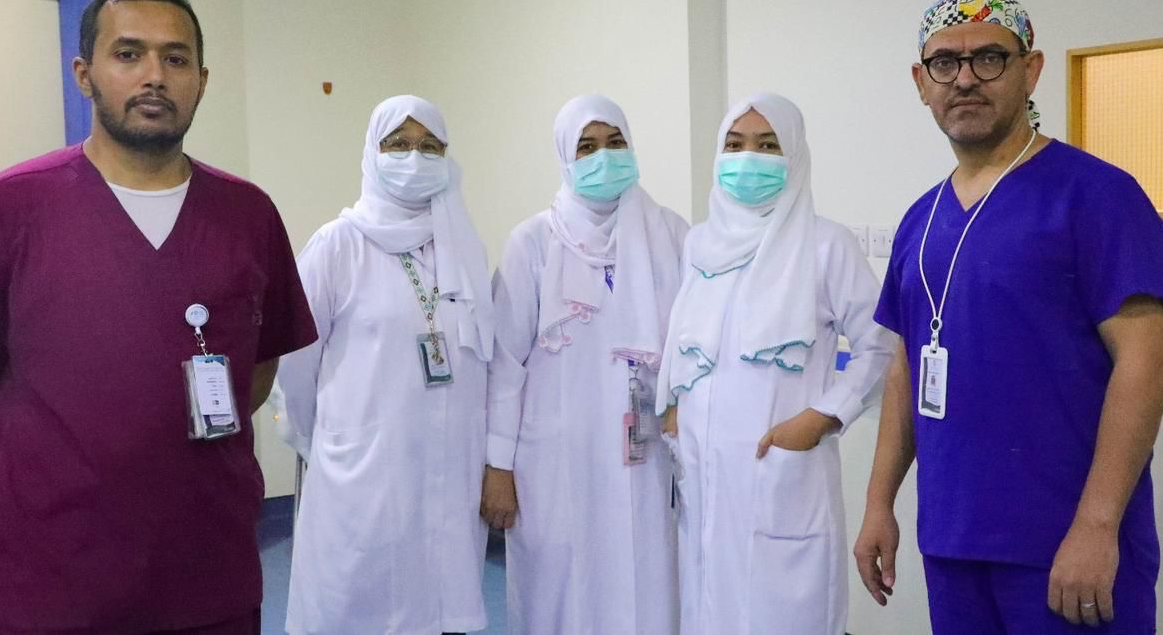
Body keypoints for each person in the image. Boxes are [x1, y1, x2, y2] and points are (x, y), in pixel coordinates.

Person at [0, 0, 317, 633]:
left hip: (205, 576)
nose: (154, 75)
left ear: (202, 81)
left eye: (176, 58)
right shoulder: (9, 206)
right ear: (85, 74)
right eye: (129, 54)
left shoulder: (248, 214)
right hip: (45, 577)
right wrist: (59, 457)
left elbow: (256, 368)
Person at [853, 0, 1163, 634]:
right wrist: (878, 502)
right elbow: (906, 366)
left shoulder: (1097, 196)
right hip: (953, 541)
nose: (965, 78)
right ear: (921, 82)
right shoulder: (922, 218)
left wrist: (1096, 526)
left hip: (1064, 546)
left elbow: (1147, 362)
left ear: (1031, 70)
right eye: (945, 62)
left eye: (989, 58)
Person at [657, 93, 893, 635]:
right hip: (705, 474)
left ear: (795, 156)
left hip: (783, 469)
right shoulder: (699, 244)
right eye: (735, 145)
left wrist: (824, 416)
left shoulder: (826, 245)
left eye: (768, 146)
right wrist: (673, 401)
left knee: (782, 614)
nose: (749, 159)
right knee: (708, 606)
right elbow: (684, 332)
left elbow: (882, 346)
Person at [279, 95, 494, 635]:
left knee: (440, 608)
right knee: (359, 605)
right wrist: (327, 439)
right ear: (372, 154)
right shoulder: (337, 246)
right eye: (398, 144)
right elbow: (294, 366)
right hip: (363, 472)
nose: (414, 159)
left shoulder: (463, 247)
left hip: (449, 469)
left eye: (430, 147)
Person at [479, 94, 687, 634]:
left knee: (648, 581)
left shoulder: (670, 234)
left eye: (615, 142)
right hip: (556, 461)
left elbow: (692, 343)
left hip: (646, 457)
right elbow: (505, 364)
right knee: (562, 590)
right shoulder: (533, 242)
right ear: (564, 157)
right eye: (587, 147)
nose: (604, 157)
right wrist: (498, 467)